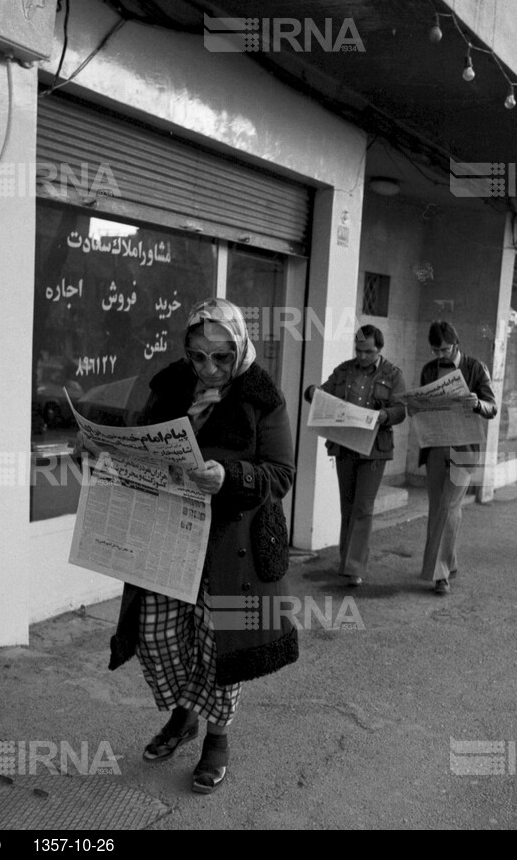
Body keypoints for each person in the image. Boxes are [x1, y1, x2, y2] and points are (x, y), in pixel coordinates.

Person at [99, 298, 298, 795]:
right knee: (160, 633)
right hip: (170, 535)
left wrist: (230, 475)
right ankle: (184, 714)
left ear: (241, 348)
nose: (209, 369)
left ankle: (216, 738)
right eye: (197, 356)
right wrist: (108, 450)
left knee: (218, 645)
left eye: (221, 357)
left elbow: (282, 473)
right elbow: (139, 438)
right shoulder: (169, 385)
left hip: (233, 546)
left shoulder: (261, 396)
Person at [303, 325, 406, 587]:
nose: (362, 356)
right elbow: (322, 394)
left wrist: (385, 416)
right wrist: (313, 392)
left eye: (368, 351)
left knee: (363, 507)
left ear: (379, 349)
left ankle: (355, 567)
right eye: (358, 351)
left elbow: (401, 410)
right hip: (346, 445)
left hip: (375, 449)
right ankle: (346, 561)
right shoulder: (344, 370)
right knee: (347, 506)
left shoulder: (393, 374)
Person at [411, 321, 497, 595]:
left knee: (448, 506)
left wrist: (478, 404)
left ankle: (440, 575)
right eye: (435, 350)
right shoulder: (429, 370)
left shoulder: (476, 367)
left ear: (456, 344)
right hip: (435, 445)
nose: (440, 355)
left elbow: (493, 407)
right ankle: (451, 560)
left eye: (445, 349)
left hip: (464, 447)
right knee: (439, 507)